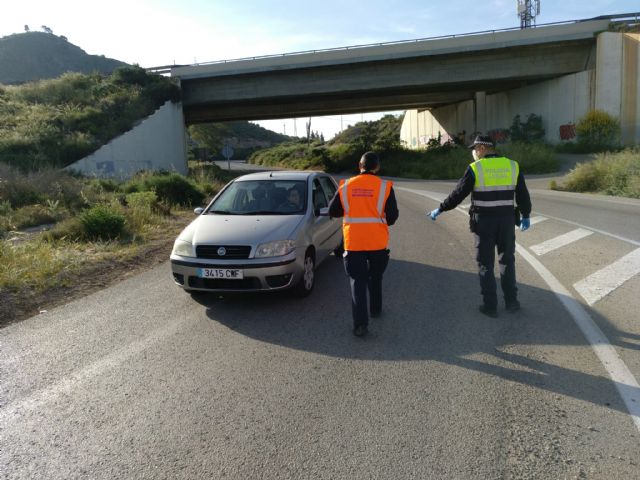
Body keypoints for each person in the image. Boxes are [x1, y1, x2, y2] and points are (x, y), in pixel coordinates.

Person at [428, 134, 532, 317]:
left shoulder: (476, 168)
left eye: (475, 149)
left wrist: (441, 209)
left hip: (484, 222)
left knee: (485, 264)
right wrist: (525, 215)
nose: (474, 153)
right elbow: (523, 194)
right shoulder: (512, 165)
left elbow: (458, 194)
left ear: (483, 148)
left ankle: (490, 306)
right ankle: (512, 302)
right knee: (507, 260)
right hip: (507, 222)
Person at [328, 151, 399, 337]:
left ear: (360, 166)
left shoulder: (345, 186)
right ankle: (375, 310)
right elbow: (392, 217)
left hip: (353, 242)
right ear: (377, 167)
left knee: (357, 281)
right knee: (375, 277)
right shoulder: (385, 187)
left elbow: (333, 211)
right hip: (377, 242)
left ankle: (360, 325)